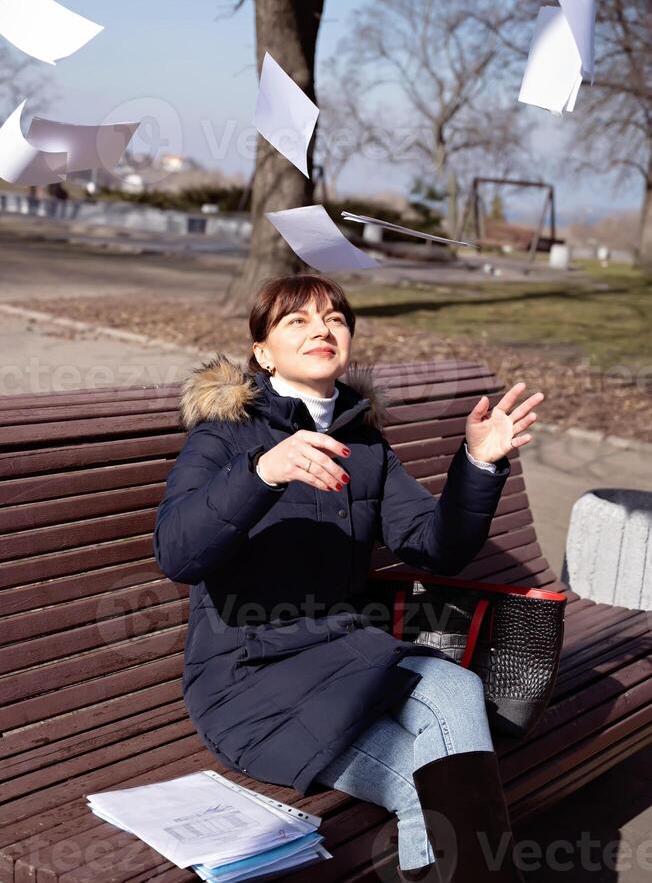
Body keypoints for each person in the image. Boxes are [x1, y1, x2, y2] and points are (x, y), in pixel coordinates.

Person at [153, 274, 544, 881]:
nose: (322, 329)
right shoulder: (225, 435)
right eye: (297, 320)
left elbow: (436, 548)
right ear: (263, 352)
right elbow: (177, 554)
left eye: (335, 318)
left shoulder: (364, 444)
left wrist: (478, 464)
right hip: (252, 680)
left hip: (347, 658)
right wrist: (262, 473)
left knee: (440, 763)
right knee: (451, 717)